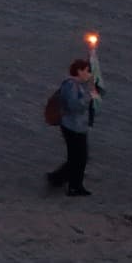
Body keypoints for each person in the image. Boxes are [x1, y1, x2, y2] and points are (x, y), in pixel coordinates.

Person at [44, 59, 100, 196]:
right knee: (79, 158)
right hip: (72, 127)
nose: (88, 74)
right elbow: (74, 106)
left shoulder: (76, 85)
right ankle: (72, 185)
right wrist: (89, 97)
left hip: (76, 126)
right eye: (86, 71)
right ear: (79, 71)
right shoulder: (71, 86)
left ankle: (61, 179)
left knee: (78, 158)